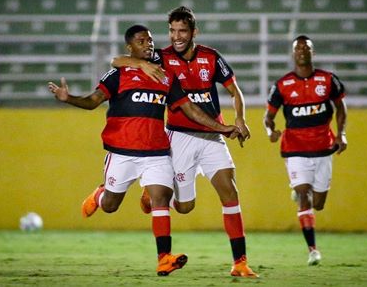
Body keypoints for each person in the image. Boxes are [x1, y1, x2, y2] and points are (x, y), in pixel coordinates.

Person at [48, 24, 239, 276]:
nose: (148, 44)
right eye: (141, 41)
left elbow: (190, 109)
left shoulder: (165, 77)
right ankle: (100, 194)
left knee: (160, 199)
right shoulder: (118, 74)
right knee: (110, 205)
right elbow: (93, 101)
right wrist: (68, 98)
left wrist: (221, 128)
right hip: (122, 152)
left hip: (156, 152)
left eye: (150, 40)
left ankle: (164, 258)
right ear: (131, 47)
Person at [110, 6, 259, 278]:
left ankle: (240, 263)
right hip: (179, 138)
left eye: (182, 31)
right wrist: (142, 63)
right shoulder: (160, 56)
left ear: (193, 32)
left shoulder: (211, 57)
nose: (176, 36)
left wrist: (240, 118)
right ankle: (151, 193)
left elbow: (234, 90)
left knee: (230, 191)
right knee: (184, 207)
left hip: (214, 137)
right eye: (172, 31)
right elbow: (117, 61)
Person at [264, 35, 348, 266]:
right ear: (293, 54)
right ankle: (313, 250)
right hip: (295, 149)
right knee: (304, 195)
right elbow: (268, 117)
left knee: (318, 203)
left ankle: (303, 194)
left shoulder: (328, 80)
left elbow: (341, 108)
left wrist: (341, 134)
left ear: (312, 52)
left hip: (323, 149)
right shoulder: (281, 85)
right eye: (297, 48)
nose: (302, 51)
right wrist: (270, 131)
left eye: (306, 47)